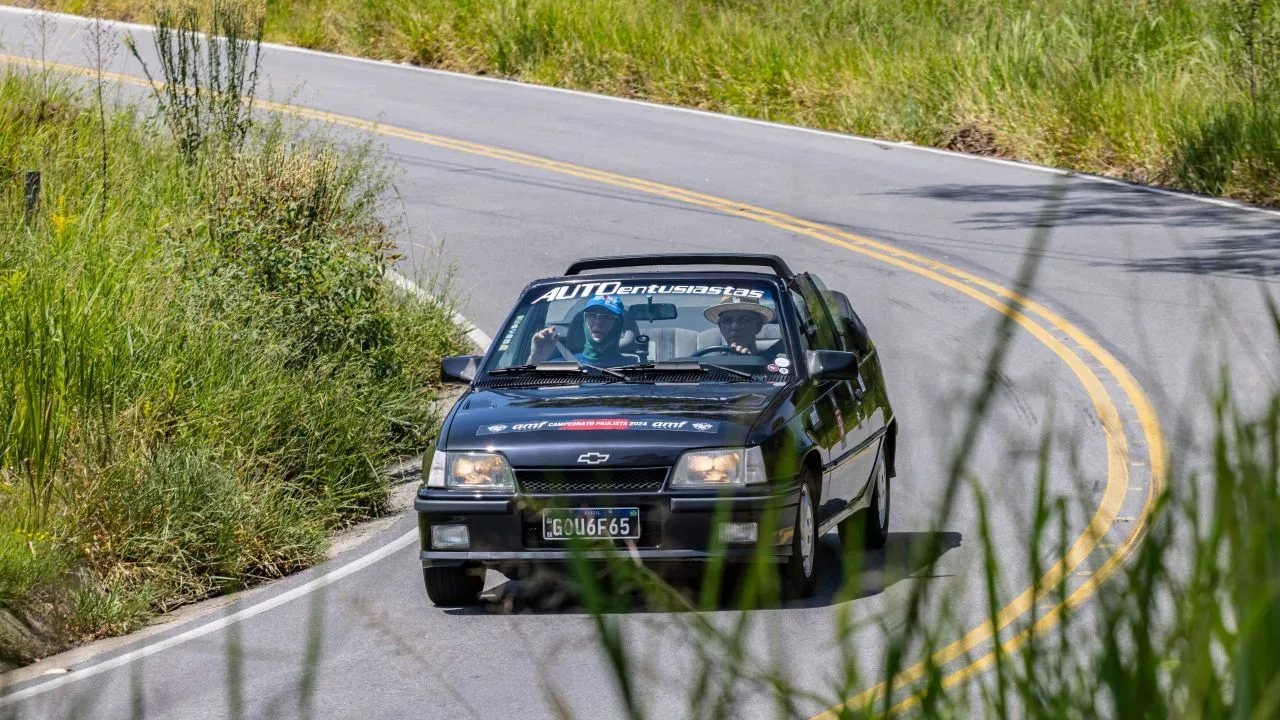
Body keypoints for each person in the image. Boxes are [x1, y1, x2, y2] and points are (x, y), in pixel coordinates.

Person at [528, 295, 634, 367]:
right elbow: (527, 390)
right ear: (584, 322)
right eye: (592, 315)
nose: (598, 323)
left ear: (619, 325)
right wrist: (536, 358)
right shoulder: (562, 366)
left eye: (607, 317)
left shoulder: (637, 370)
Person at [703, 295, 782, 361]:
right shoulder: (709, 368)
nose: (735, 327)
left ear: (758, 325)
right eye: (727, 321)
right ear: (720, 328)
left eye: (744, 320)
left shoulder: (775, 365)